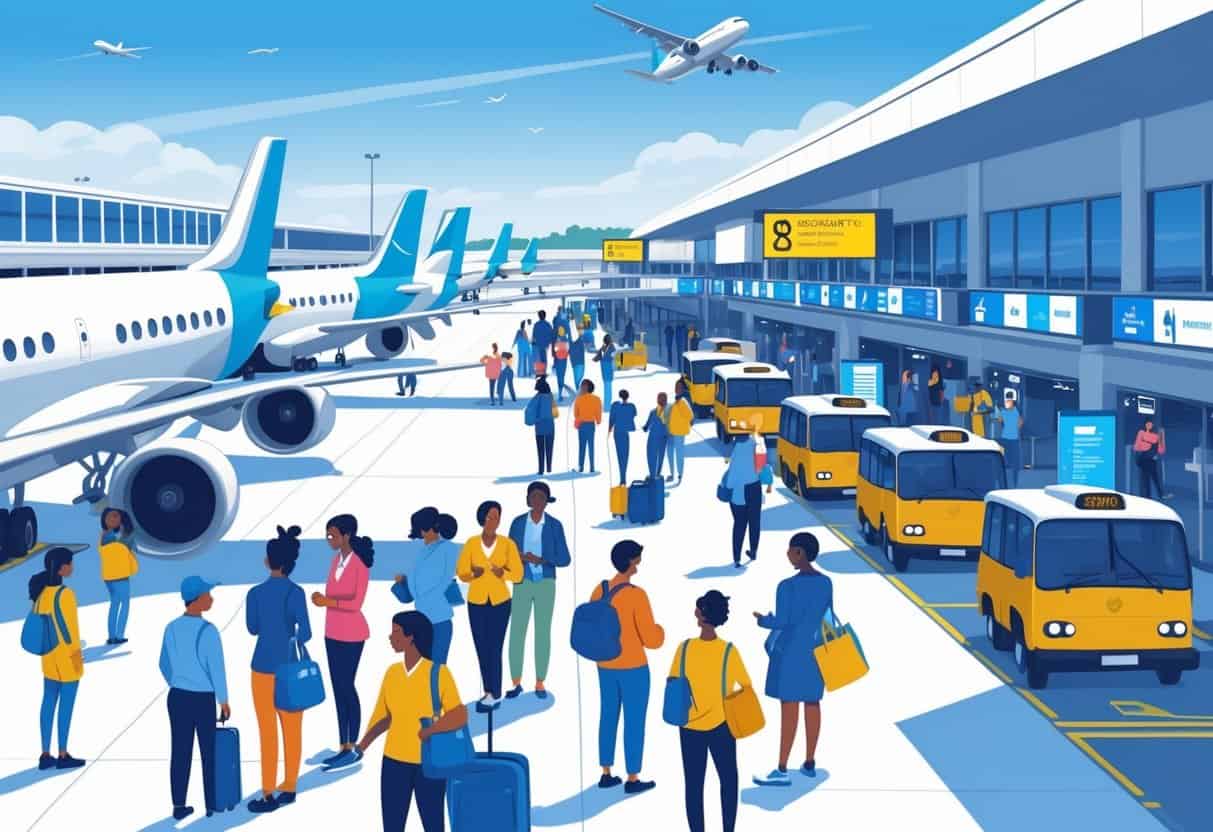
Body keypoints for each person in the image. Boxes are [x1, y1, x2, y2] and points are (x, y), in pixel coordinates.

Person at [357, 611, 467, 832]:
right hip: (393, 761)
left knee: (433, 824)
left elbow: (459, 715)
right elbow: (384, 717)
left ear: (411, 637)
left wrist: (432, 730)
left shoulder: (438, 673)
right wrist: (361, 747)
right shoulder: (392, 673)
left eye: (396, 632)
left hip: (429, 762)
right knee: (392, 826)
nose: (391, 637)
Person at [752, 532, 833, 787]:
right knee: (812, 703)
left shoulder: (786, 586)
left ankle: (782, 768)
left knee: (789, 708)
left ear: (800, 552)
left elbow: (783, 621)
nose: (787, 554)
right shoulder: (826, 583)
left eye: (790, 550)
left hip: (790, 653)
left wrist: (763, 620)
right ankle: (809, 762)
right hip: (814, 652)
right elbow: (828, 616)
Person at [245, 525, 312, 813]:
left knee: (267, 732)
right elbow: (306, 633)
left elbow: (252, 628)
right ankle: (290, 786)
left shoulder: (254, 593)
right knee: (293, 729)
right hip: (290, 671)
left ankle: (268, 791)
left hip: (261, 667)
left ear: (267, 561)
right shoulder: (296, 592)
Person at [672, 590, 750, 832]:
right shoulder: (729, 651)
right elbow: (745, 685)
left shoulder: (684, 648)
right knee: (729, 781)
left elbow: (673, 680)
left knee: (693, 785)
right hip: (722, 725)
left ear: (701, 614)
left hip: (689, 726)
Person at [592, 540, 663, 795]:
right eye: (637, 559)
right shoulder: (636, 595)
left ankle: (606, 772)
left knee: (608, 715)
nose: (639, 564)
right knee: (634, 721)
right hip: (633, 667)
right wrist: (661, 631)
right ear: (630, 561)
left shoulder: (599, 590)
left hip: (605, 664)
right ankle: (633, 777)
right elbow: (652, 639)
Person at [159, 575, 230, 821]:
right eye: (208, 595)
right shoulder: (209, 631)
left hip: (177, 697)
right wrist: (224, 700)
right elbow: (217, 669)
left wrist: (178, 681)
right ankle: (211, 803)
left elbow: (163, 664)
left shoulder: (171, 627)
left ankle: (179, 805)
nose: (211, 599)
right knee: (208, 752)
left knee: (180, 751)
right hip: (202, 699)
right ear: (197, 599)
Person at [311, 515, 373, 770]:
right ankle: (343, 745)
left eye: (333, 535)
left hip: (352, 633)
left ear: (347, 535)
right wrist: (324, 599)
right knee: (338, 689)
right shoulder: (335, 561)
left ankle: (353, 745)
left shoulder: (359, 565)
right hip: (332, 631)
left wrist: (328, 602)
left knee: (347, 686)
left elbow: (356, 603)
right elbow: (335, 593)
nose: (329, 539)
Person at [506, 482, 571, 700]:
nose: (536, 501)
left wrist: (542, 560)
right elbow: (507, 553)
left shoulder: (554, 525)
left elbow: (565, 558)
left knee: (542, 632)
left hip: (545, 583)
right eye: (533, 497)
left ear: (546, 501)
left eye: (541, 497)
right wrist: (522, 558)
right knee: (517, 631)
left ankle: (540, 681)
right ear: (527, 499)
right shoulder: (517, 523)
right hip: (522, 581)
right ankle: (516, 682)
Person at [457, 500, 523, 710]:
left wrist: (502, 573)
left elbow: (518, 574)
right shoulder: (471, 543)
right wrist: (472, 574)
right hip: (476, 602)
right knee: (481, 648)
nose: (494, 521)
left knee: (495, 647)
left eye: (497, 517)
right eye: (490, 517)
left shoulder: (507, 544)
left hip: (500, 602)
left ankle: (495, 692)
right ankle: (488, 690)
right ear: (482, 519)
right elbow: (461, 572)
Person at [30, 547, 85, 771]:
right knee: (66, 706)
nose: (72, 567)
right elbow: (70, 631)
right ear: (62, 569)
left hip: (48, 656)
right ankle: (63, 754)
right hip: (66, 658)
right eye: (70, 563)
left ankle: (45, 754)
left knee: (48, 702)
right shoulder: (66, 594)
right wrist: (77, 656)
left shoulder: (41, 594)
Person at [394, 508, 461, 663]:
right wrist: (405, 581)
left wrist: (425, 597)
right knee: (423, 666)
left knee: (437, 666)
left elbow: (445, 580)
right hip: (421, 618)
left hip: (439, 618)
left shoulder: (448, 548)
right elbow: (419, 584)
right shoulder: (422, 552)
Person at [724, 415, 768, 567]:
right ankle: (753, 551)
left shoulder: (736, 448)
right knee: (755, 522)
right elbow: (763, 466)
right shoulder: (757, 443)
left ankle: (737, 558)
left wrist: (727, 488)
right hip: (754, 487)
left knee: (739, 524)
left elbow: (732, 473)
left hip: (739, 491)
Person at [98, 507, 136, 645]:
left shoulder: (104, 535)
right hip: (120, 575)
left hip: (108, 576)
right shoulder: (112, 537)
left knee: (115, 604)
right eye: (111, 516)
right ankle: (119, 635)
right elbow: (126, 547)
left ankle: (112, 636)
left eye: (116, 516)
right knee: (124, 604)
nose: (114, 519)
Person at [525, 376, 558, 475]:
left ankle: (541, 469)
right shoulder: (550, 396)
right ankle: (549, 468)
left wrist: (533, 420)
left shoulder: (537, 397)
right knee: (549, 448)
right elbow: (555, 412)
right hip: (550, 426)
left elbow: (529, 409)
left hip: (540, 426)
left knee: (540, 449)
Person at [666, 383, 694, 484]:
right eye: (676, 387)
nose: (677, 389)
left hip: (679, 432)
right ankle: (672, 474)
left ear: (682, 390)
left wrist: (686, 422)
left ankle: (680, 475)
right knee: (670, 452)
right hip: (672, 431)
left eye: (679, 388)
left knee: (679, 453)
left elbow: (690, 416)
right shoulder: (677, 401)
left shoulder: (682, 401)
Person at [574, 379, 603, 474]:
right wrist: (598, 420)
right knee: (591, 446)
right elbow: (598, 412)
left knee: (581, 446)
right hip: (591, 424)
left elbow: (576, 414)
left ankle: (581, 467)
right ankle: (592, 467)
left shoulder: (579, 399)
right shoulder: (597, 399)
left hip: (581, 425)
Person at [994, 394, 1024, 487]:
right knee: (1015, 463)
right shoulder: (1017, 411)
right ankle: (1015, 483)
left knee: (1005, 461)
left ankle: (1004, 483)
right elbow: (1020, 424)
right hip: (1014, 439)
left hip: (1005, 439)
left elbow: (1000, 422)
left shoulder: (1003, 411)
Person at [608, 389, 637, 485]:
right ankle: (623, 477)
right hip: (625, 433)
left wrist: (609, 430)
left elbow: (611, 419)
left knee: (619, 455)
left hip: (617, 432)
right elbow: (634, 415)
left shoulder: (615, 405)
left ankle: (622, 478)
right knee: (625, 456)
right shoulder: (631, 406)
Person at [1134, 419, 1167, 499]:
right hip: (1144, 459)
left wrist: (1162, 436)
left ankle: (1157, 495)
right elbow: (1137, 447)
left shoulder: (1156, 436)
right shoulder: (1141, 433)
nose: (1149, 426)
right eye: (1147, 424)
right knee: (1147, 479)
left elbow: (1161, 450)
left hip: (1151, 460)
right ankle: (1151, 496)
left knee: (1154, 478)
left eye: (1150, 424)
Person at [642, 392, 670, 480]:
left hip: (655, 437)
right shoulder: (668, 411)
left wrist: (645, 428)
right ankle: (656, 474)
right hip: (662, 437)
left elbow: (647, 425)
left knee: (653, 455)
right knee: (659, 455)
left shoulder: (655, 412)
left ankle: (653, 475)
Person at [596, 333, 617, 405]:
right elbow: (614, 358)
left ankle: (607, 404)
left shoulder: (603, 348)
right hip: (609, 370)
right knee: (608, 389)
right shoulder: (612, 348)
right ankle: (607, 405)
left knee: (606, 388)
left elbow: (599, 358)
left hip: (604, 371)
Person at [552, 327, 572, 402]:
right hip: (564, 360)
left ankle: (560, 393)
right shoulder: (566, 340)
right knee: (562, 375)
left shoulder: (557, 340)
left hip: (558, 359)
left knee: (559, 376)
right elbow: (568, 349)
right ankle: (561, 392)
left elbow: (555, 349)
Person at [571, 323, 587, 392]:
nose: (581, 330)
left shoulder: (582, 338)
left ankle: (579, 392)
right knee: (578, 379)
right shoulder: (576, 339)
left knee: (579, 378)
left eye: (582, 329)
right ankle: (578, 392)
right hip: (577, 362)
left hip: (580, 362)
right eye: (580, 329)